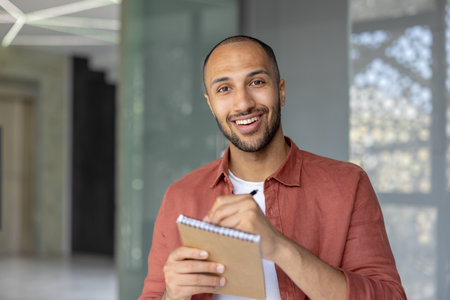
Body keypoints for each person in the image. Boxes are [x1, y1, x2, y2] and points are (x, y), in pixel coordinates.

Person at [139, 35, 406, 300]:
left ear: (281, 90)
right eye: (224, 89)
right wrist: (171, 296)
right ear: (210, 104)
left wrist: (280, 247)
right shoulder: (180, 196)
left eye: (256, 82)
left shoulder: (348, 185)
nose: (243, 103)